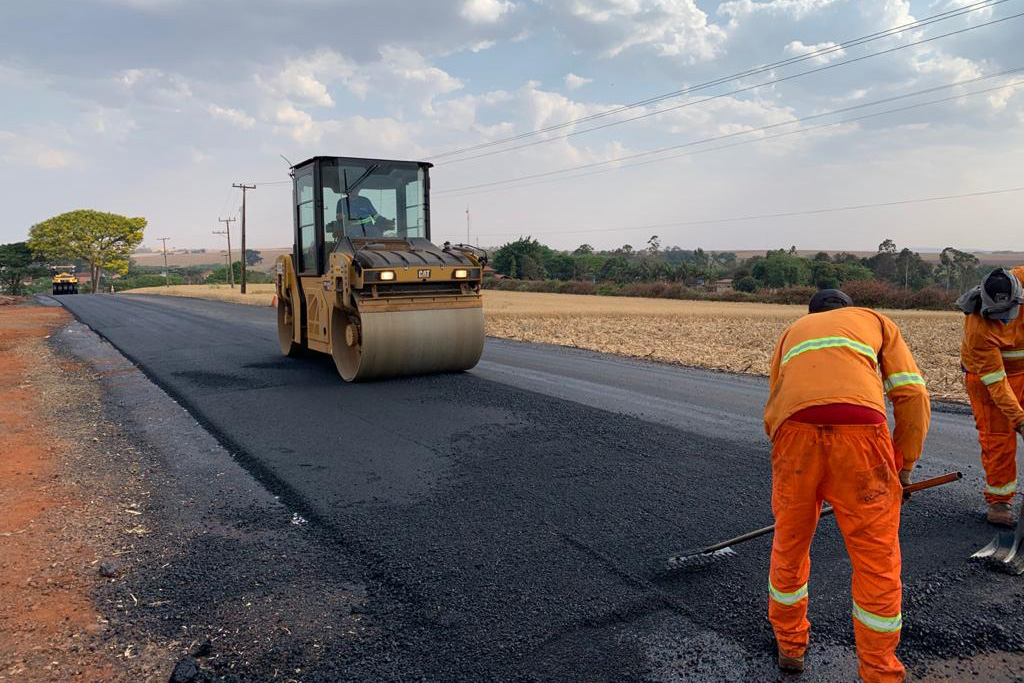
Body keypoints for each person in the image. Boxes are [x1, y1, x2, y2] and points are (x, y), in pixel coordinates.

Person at [763, 289, 930, 682]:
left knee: (789, 545)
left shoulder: (792, 331)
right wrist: (903, 465)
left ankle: (790, 647)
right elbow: (912, 394)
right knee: (877, 561)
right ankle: (879, 672)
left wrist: (797, 461)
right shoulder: (874, 321)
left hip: (794, 438)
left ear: (811, 313)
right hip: (861, 439)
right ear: (849, 307)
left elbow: (774, 406)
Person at [957, 267, 1024, 527]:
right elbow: (997, 383)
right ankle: (1000, 501)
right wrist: (1019, 421)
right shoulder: (978, 329)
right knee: (998, 438)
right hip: (987, 381)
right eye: (998, 316)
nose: (1004, 321)